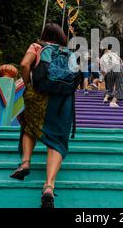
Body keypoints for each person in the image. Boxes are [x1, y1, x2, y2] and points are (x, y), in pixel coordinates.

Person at [10, 23, 75, 208]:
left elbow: (24, 64)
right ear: (62, 37)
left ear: (44, 34)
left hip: (39, 93)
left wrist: (28, 82)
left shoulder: (37, 46)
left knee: (29, 125)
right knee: (57, 139)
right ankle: (49, 186)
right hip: (62, 99)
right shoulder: (68, 52)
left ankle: (25, 163)